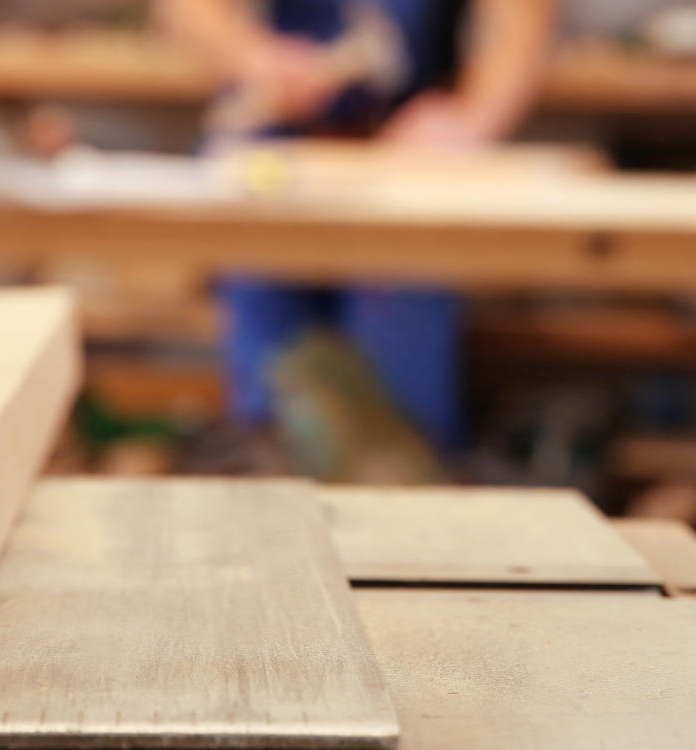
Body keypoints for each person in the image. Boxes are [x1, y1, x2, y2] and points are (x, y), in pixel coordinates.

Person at [159, 0, 555, 452]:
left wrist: (472, 117)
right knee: (270, 421)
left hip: (410, 168)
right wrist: (252, 58)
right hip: (281, 162)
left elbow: (523, 19)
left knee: (399, 425)